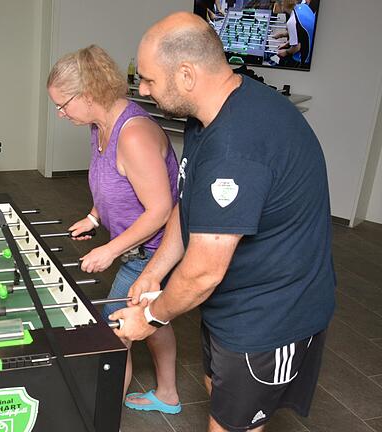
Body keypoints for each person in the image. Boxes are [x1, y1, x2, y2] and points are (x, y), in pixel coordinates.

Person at [113, 12, 335, 431]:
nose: (141, 90)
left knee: (232, 425)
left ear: (186, 74)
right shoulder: (209, 116)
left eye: (148, 80)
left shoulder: (236, 146)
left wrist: (150, 317)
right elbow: (189, 205)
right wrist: (154, 273)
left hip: (271, 314)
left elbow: (202, 273)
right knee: (217, 387)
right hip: (232, 303)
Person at [47, 45, 181, 414]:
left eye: (63, 105)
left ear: (89, 95)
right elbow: (108, 183)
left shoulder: (134, 135)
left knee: (113, 331)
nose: (61, 114)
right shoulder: (98, 125)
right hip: (137, 249)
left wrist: (109, 250)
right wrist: (94, 217)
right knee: (156, 317)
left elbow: (160, 211)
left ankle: (99, 415)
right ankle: (168, 393)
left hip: (153, 252)